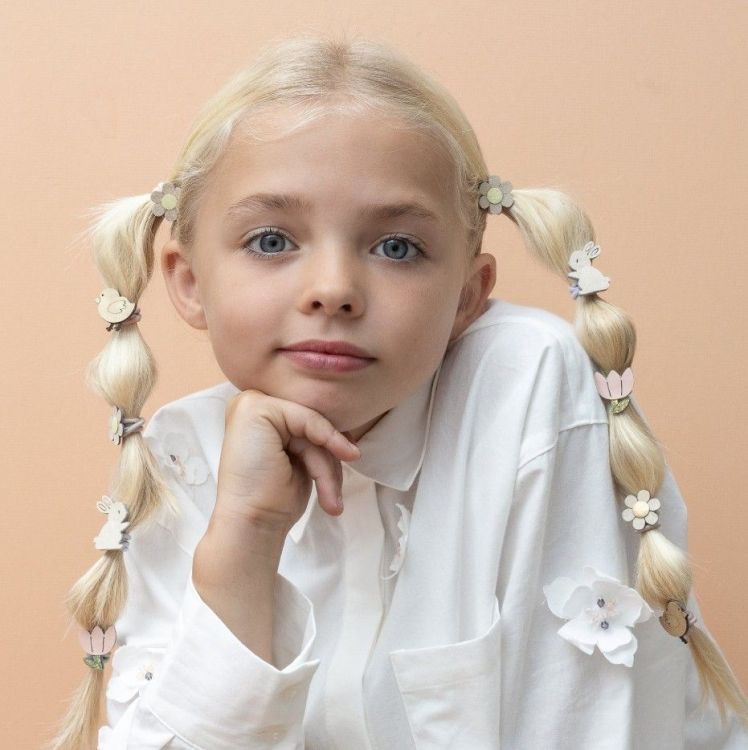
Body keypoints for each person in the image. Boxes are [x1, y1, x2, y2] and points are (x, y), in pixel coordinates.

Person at [49, 33, 748, 750]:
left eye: (396, 247)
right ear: (189, 282)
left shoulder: (525, 384)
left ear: (467, 295)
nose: (333, 290)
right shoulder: (182, 453)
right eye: (271, 241)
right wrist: (246, 541)